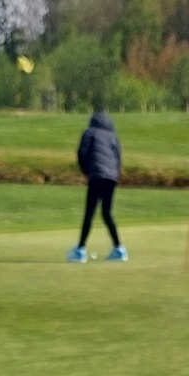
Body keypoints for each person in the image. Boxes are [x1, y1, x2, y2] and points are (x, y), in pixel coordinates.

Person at [68, 109, 125, 263]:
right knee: (106, 213)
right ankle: (119, 249)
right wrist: (114, 174)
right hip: (111, 178)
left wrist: (87, 171)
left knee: (89, 213)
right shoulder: (113, 136)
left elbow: (82, 154)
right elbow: (118, 158)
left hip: (97, 176)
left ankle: (80, 251)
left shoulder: (89, 132)